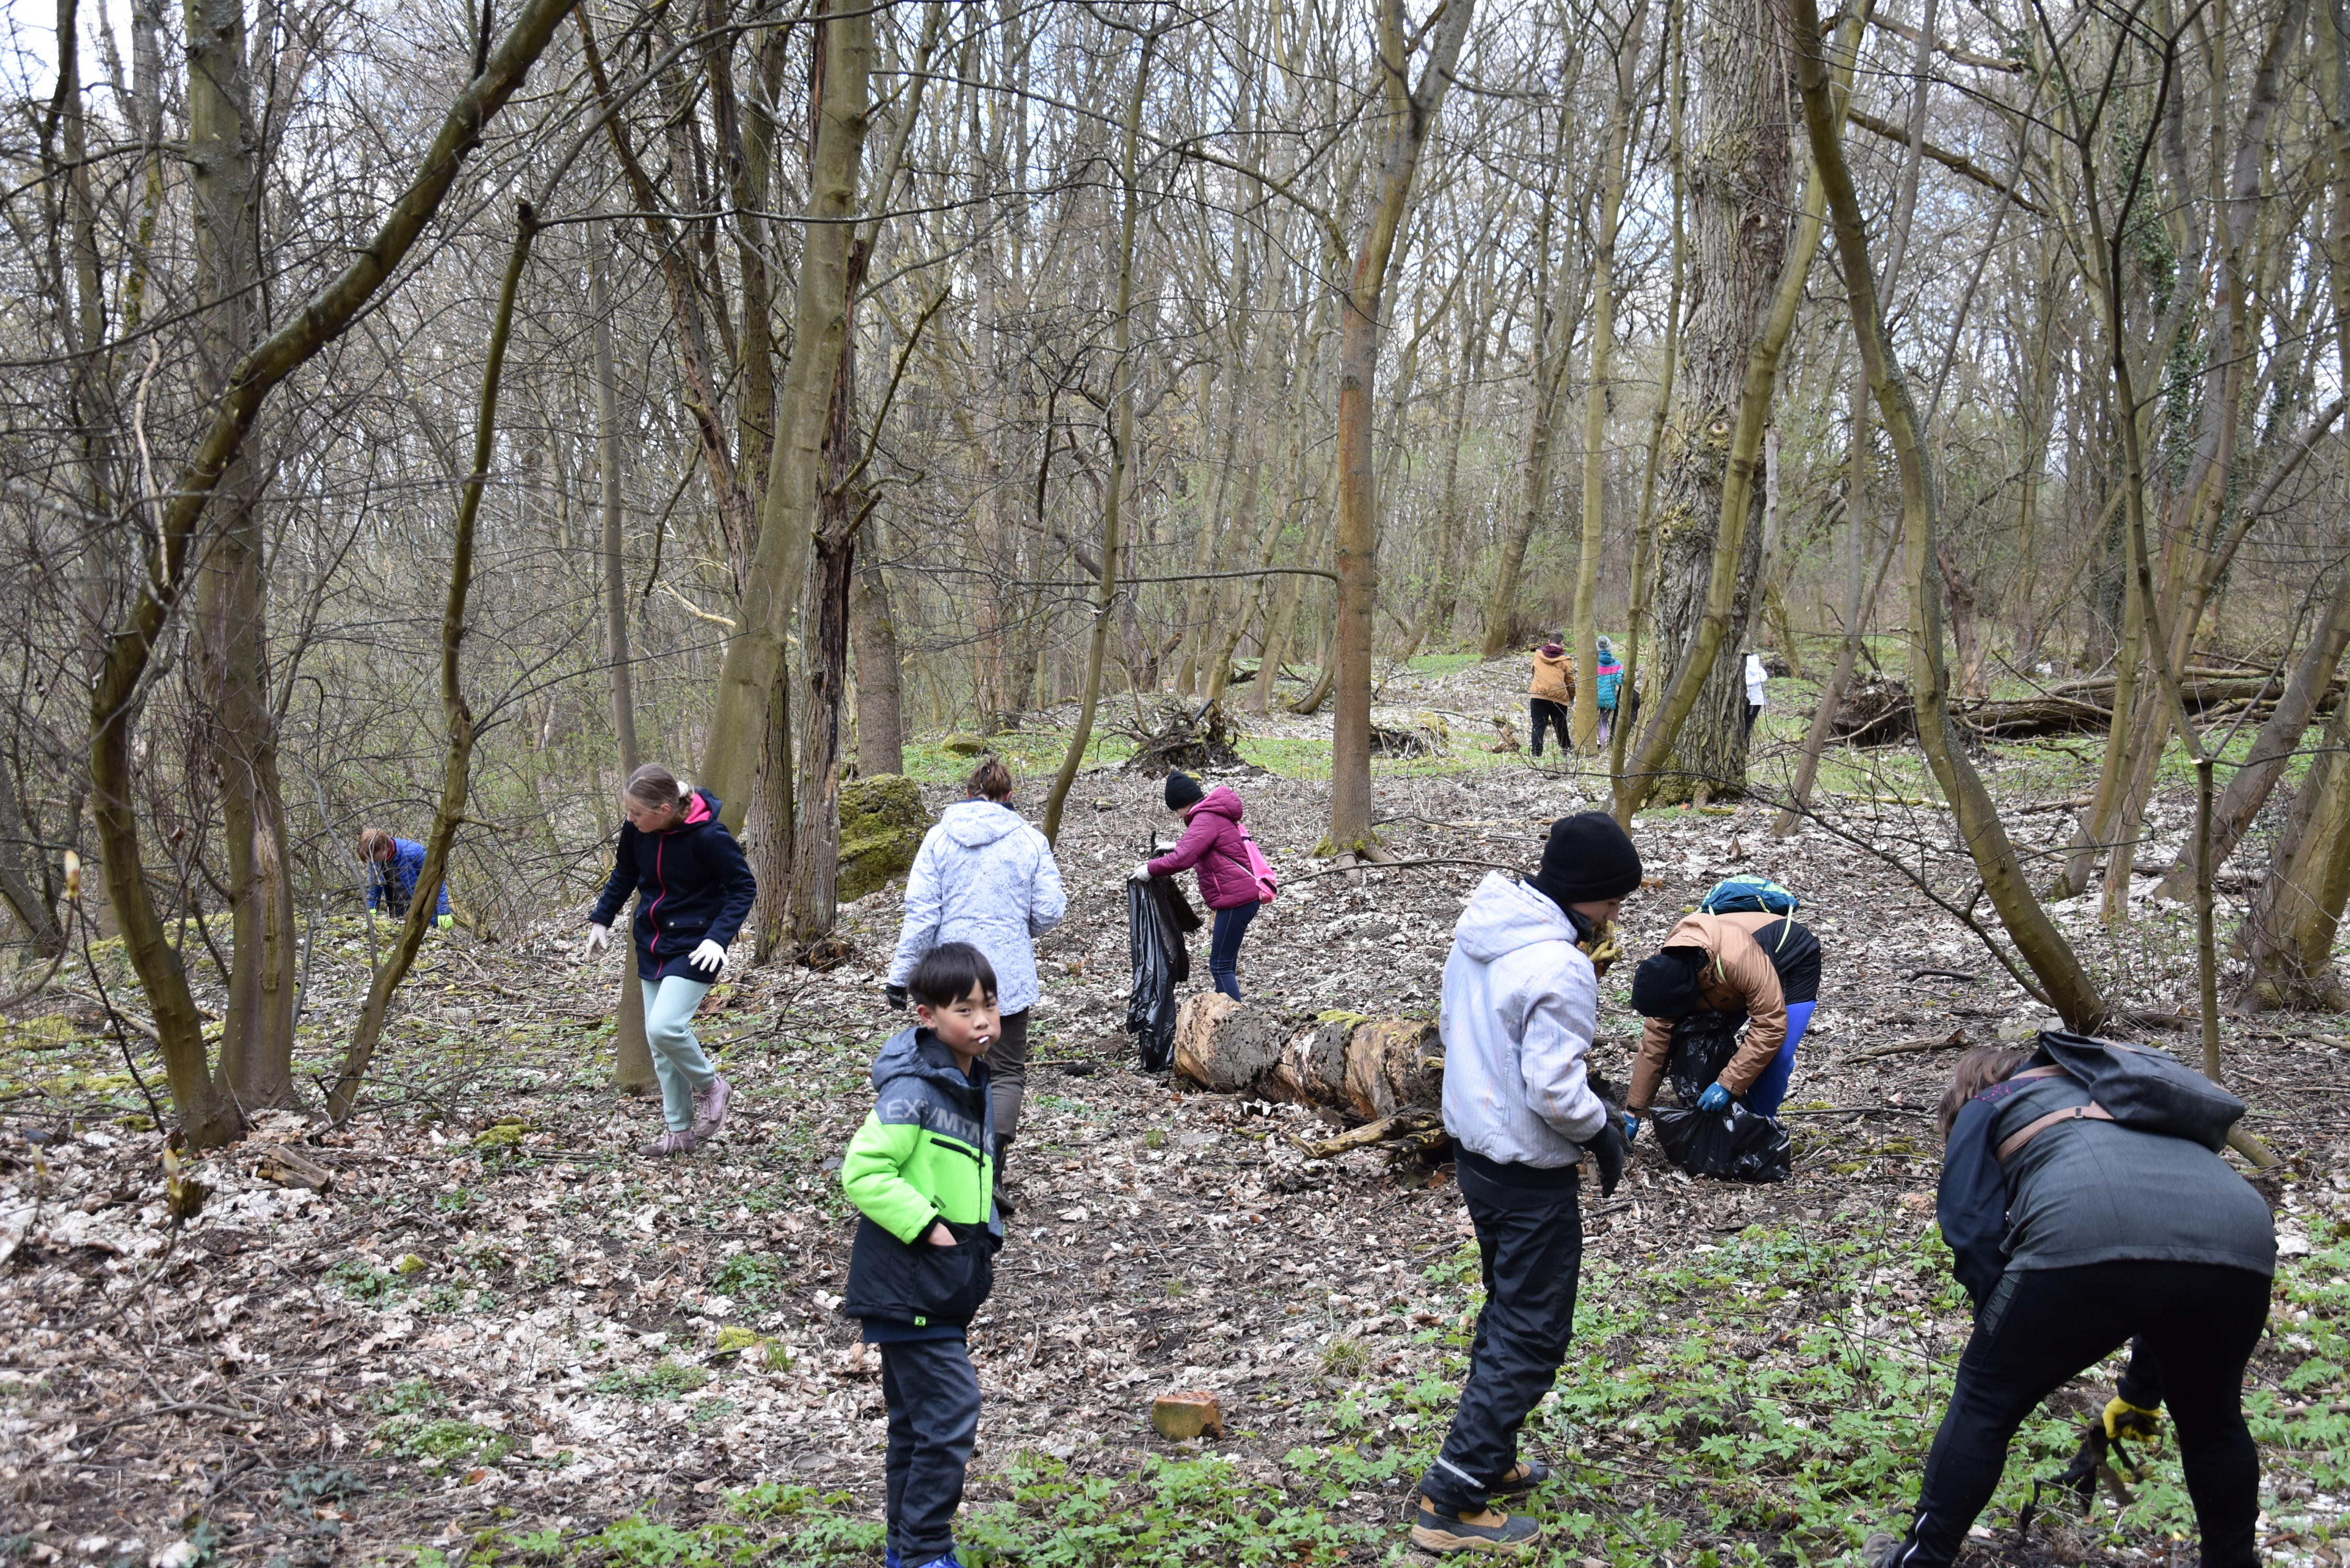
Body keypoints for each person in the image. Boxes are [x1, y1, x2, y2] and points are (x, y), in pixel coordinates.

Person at [1865, 1046, 2276, 1567]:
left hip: (2082, 1226)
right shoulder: (2135, 1097)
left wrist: (1996, 1330)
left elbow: (1970, 1228)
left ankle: (1920, 1561)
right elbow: (2168, 1253)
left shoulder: (1991, 1101)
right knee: (2212, 1421)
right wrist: (2139, 1396)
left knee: (1985, 1402)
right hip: (2240, 1233)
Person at [1412, 813, 1638, 1557]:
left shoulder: (1483, 932)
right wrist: (1601, 1130)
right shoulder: (1560, 966)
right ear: (1584, 890)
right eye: (1612, 900)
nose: (1614, 915)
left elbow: (1463, 1033)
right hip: (1528, 1171)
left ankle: (1488, 1456)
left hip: (1477, 1155)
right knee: (1533, 1332)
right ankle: (1452, 1500)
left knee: (1508, 1309)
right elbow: (1554, 1089)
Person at [842, 942, 1006, 1568]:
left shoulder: (968, 1079)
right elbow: (863, 1172)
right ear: (927, 1016)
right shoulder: (914, 1089)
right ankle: (924, 1552)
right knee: (951, 1410)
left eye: (989, 1005)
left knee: (914, 1427)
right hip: (909, 1280)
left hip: (941, 1282)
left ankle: (904, 1549)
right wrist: (929, 1228)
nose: (982, 1021)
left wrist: (984, 1234)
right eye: (964, 1010)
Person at [886, 756, 1067, 1169]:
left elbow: (922, 915)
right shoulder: (1030, 840)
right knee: (1006, 1072)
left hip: (950, 976)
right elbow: (1050, 910)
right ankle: (993, 1167)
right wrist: (1016, 929)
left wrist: (901, 977)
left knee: (950, 1066)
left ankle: (956, 1163)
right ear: (1010, 796)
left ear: (967, 794)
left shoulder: (938, 840)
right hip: (1007, 978)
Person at [584, 764, 756, 1157]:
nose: (630, 819)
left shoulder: (709, 836)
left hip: (697, 946)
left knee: (665, 1028)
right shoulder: (637, 830)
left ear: (664, 809)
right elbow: (625, 871)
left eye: (636, 813)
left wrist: (718, 938)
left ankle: (712, 1086)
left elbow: (743, 887)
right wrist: (602, 918)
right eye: (628, 812)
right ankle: (680, 1132)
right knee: (659, 1046)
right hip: (652, 942)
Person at [1622, 906, 1822, 1129]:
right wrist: (1634, 1110)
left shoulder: (1737, 960)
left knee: (1777, 1056)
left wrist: (1727, 1085)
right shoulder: (1668, 975)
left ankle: (1758, 1128)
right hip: (1728, 981)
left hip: (1792, 963)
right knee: (1700, 1043)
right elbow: (1655, 1043)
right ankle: (1717, 1125)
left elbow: (1770, 1027)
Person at [1134, 771, 1263, 1001]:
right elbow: (1202, 844)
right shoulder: (1211, 814)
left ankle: (1231, 1017)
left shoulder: (1205, 818)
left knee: (1220, 966)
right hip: (1241, 896)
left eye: (1176, 809)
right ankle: (1229, 1012)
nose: (1177, 815)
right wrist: (1175, 845)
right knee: (1226, 963)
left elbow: (1184, 859)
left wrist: (1150, 869)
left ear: (1183, 803)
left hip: (1237, 900)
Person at [358, 827, 453, 929]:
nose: (372, 861)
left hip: (423, 911)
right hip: (398, 912)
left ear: (384, 848)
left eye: (373, 857)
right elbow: (375, 884)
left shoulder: (414, 852)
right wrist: (371, 907)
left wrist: (444, 911)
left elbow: (437, 880)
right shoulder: (375, 859)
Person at [1527, 639, 1576, 758]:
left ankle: (1536, 753)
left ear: (1549, 641)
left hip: (1538, 694)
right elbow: (1570, 681)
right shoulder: (1565, 659)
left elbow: (1533, 671)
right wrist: (1571, 697)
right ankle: (1566, 750)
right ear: (1562, 642)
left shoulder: (1538, 655)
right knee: (1561, 725)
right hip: (1558, 696)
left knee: (1538, 725)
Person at [1592, 637, 1623, 746]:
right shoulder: (1617, 664)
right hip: (1608, 700)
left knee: (1590, 723)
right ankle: (1602, 748)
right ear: (1610, 647)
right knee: (1603, 724)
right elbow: (1620, 681)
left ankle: (1591, 745)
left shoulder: (1593, 662)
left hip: (1593, 698)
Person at [1744, 650, 1769, 736]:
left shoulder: (1751, 661)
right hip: (1747, 698)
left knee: (1747, 724)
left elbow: (1763, 676)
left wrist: (1748, 683)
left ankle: (1744, 741)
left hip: (1754, 700)